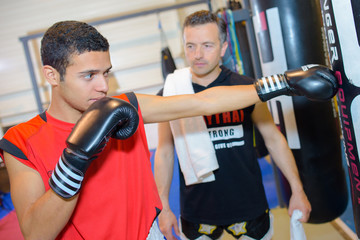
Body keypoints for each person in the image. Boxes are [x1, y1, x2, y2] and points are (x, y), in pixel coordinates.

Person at [0, 20, 336, 240]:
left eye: (107, 72)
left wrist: (280, 84)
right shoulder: (19, 142)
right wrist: (73, 164)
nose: (103, 86)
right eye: (89, 75)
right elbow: (36, 233)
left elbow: (199, 103)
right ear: (52, 75)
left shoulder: (123, 107)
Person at [154, 10, 314, 240]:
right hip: (198, 208)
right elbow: (165, 151)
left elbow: (274, 140)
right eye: (190, 46)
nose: (198, 54)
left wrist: (298, 190)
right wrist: (164, 207)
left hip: (248, 204)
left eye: (207, 45)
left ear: (224, 47)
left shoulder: (246, 88)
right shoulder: (171, 93)